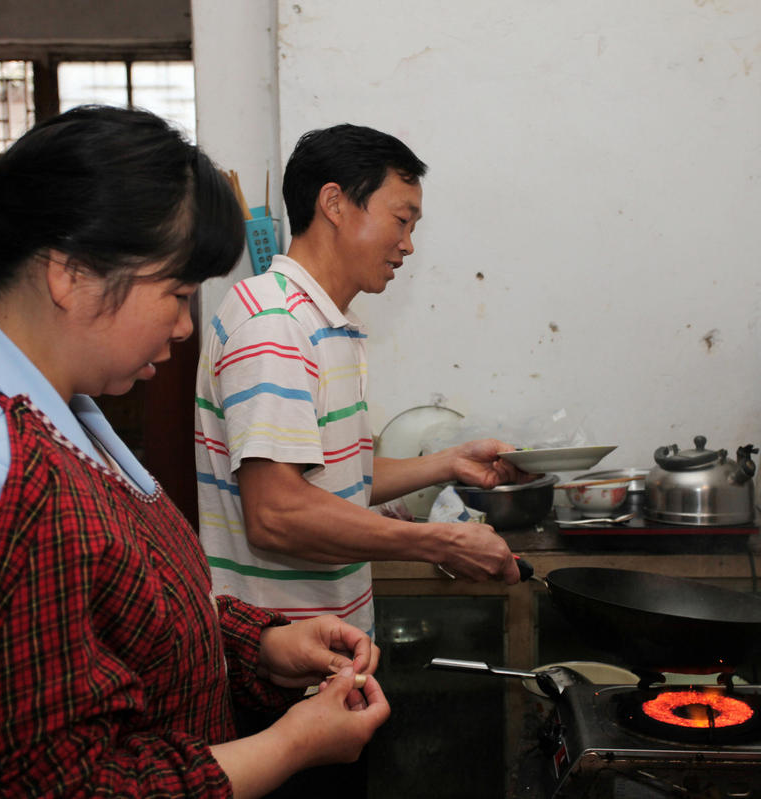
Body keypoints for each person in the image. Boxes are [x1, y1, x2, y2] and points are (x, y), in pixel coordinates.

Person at [0, 106, 389, 799]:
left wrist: (255, 643)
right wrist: (289, 744)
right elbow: (47, 784)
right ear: (72, 273)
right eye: (175, 293)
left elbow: (110, 609)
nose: (182, 326)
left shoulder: (63, 412)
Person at [194, 124, 526, 639]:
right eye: (401, 219)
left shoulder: (324, 323)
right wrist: (440, 542)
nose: (408, 245)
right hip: (279, 648)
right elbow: (278, 513)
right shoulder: (273, 323)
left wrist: (448, 462)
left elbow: (338, 481)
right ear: (335, 203)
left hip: (329, 638)